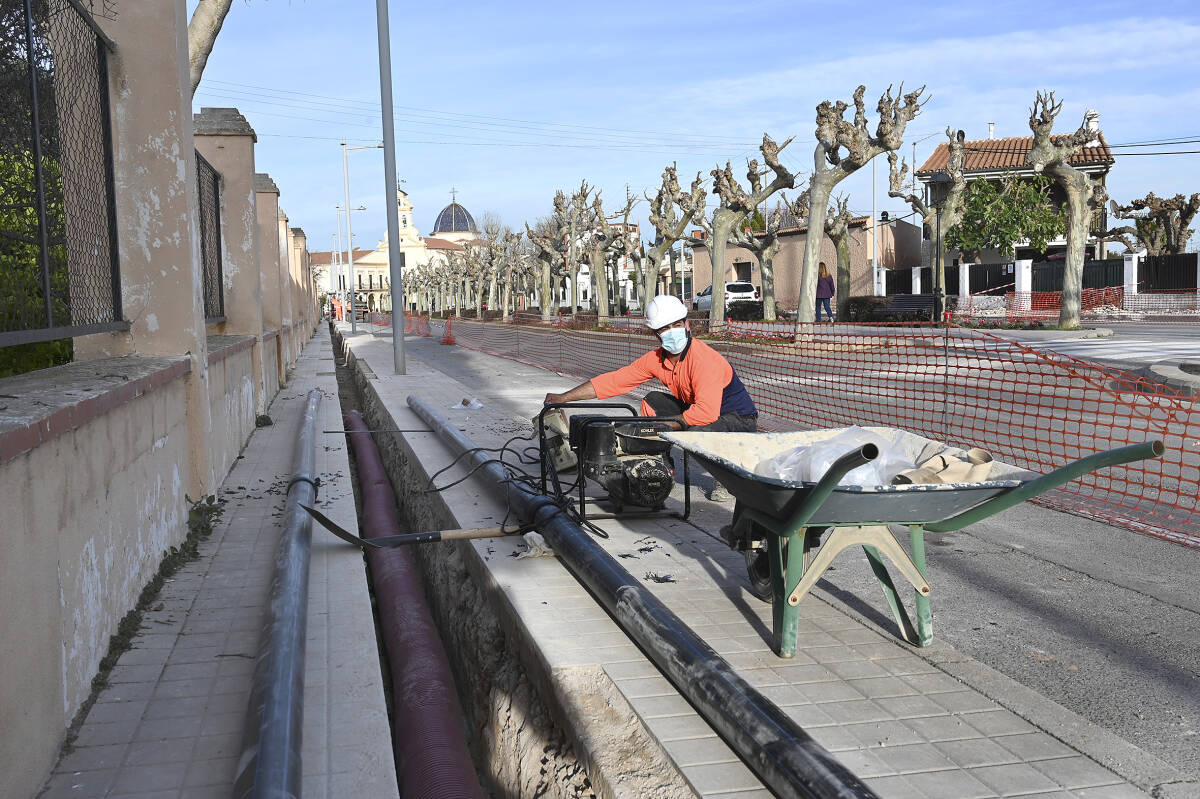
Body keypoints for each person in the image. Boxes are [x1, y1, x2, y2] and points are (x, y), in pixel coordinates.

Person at [543, 294, 757, 501]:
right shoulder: (656, 359)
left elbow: (706, 412)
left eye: (676, 324)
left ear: (687, 324)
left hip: (737, 420)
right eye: (665, 328)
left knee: (698, 432)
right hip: (700, 409)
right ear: (655, 333)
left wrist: (664, 427)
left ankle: (728, 479)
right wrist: (564, 397)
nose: (672, 331)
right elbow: (616, 380)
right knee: (652, 402)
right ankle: (660, 464)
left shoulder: (703, 360)